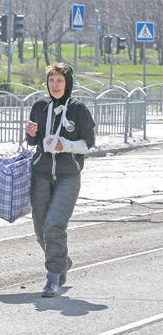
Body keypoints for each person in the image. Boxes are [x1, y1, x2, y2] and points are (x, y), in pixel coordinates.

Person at [25, 63, 95, 297]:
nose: (55, 85)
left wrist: (66, 145)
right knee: (40, 230)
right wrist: (31, 133)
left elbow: (88, 143)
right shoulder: (40, 106)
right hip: (41, 173)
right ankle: (62, 260)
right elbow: (33, 143)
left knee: (54, 224)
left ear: (68, 83)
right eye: (52, 80)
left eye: (60, 81)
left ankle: (53, 278)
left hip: (68, 176)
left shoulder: (78, 109)